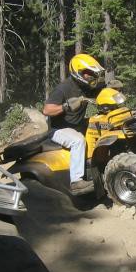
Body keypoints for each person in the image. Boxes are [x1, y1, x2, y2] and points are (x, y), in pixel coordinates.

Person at [42, 53, 107, 195]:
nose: (90, 76)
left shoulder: (87, 85)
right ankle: (76, 182)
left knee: (103, 123)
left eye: (92, 73)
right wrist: (65, 106)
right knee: (78, 141)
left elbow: (103, 91)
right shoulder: (63, 88)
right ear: (78, 72)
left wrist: (112, 88)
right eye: (87, 73)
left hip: (77, 125)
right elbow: (46, 110)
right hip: (58, 129)